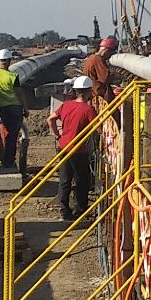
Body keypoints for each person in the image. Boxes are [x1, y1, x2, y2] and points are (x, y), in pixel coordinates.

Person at [48, 76, 100, 221]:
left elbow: (50, 119)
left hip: (63, 147)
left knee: (65, 179)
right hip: (78, 150)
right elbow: (100, 130)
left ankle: (64, 212)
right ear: (89, 91)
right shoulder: (89, 109)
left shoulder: (66, 105)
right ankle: (80, 211)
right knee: (83, 180)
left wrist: (57, 134)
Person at [0, 49, 24, 171]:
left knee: (8, 134)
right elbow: (20, 94)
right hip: (15, 108)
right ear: (9, 61)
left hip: (4, 108)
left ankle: (7, 159)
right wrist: (26, 109)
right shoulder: (13, 76)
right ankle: (9, 161)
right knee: (12, 136)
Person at [83, 36, 118, 105]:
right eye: (110, 53)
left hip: (92, 94)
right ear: (107, 50)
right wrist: (117, 77)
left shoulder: (91, 58)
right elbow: (105, 78)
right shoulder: (98, 60)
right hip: (100, 97)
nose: (110, 56)